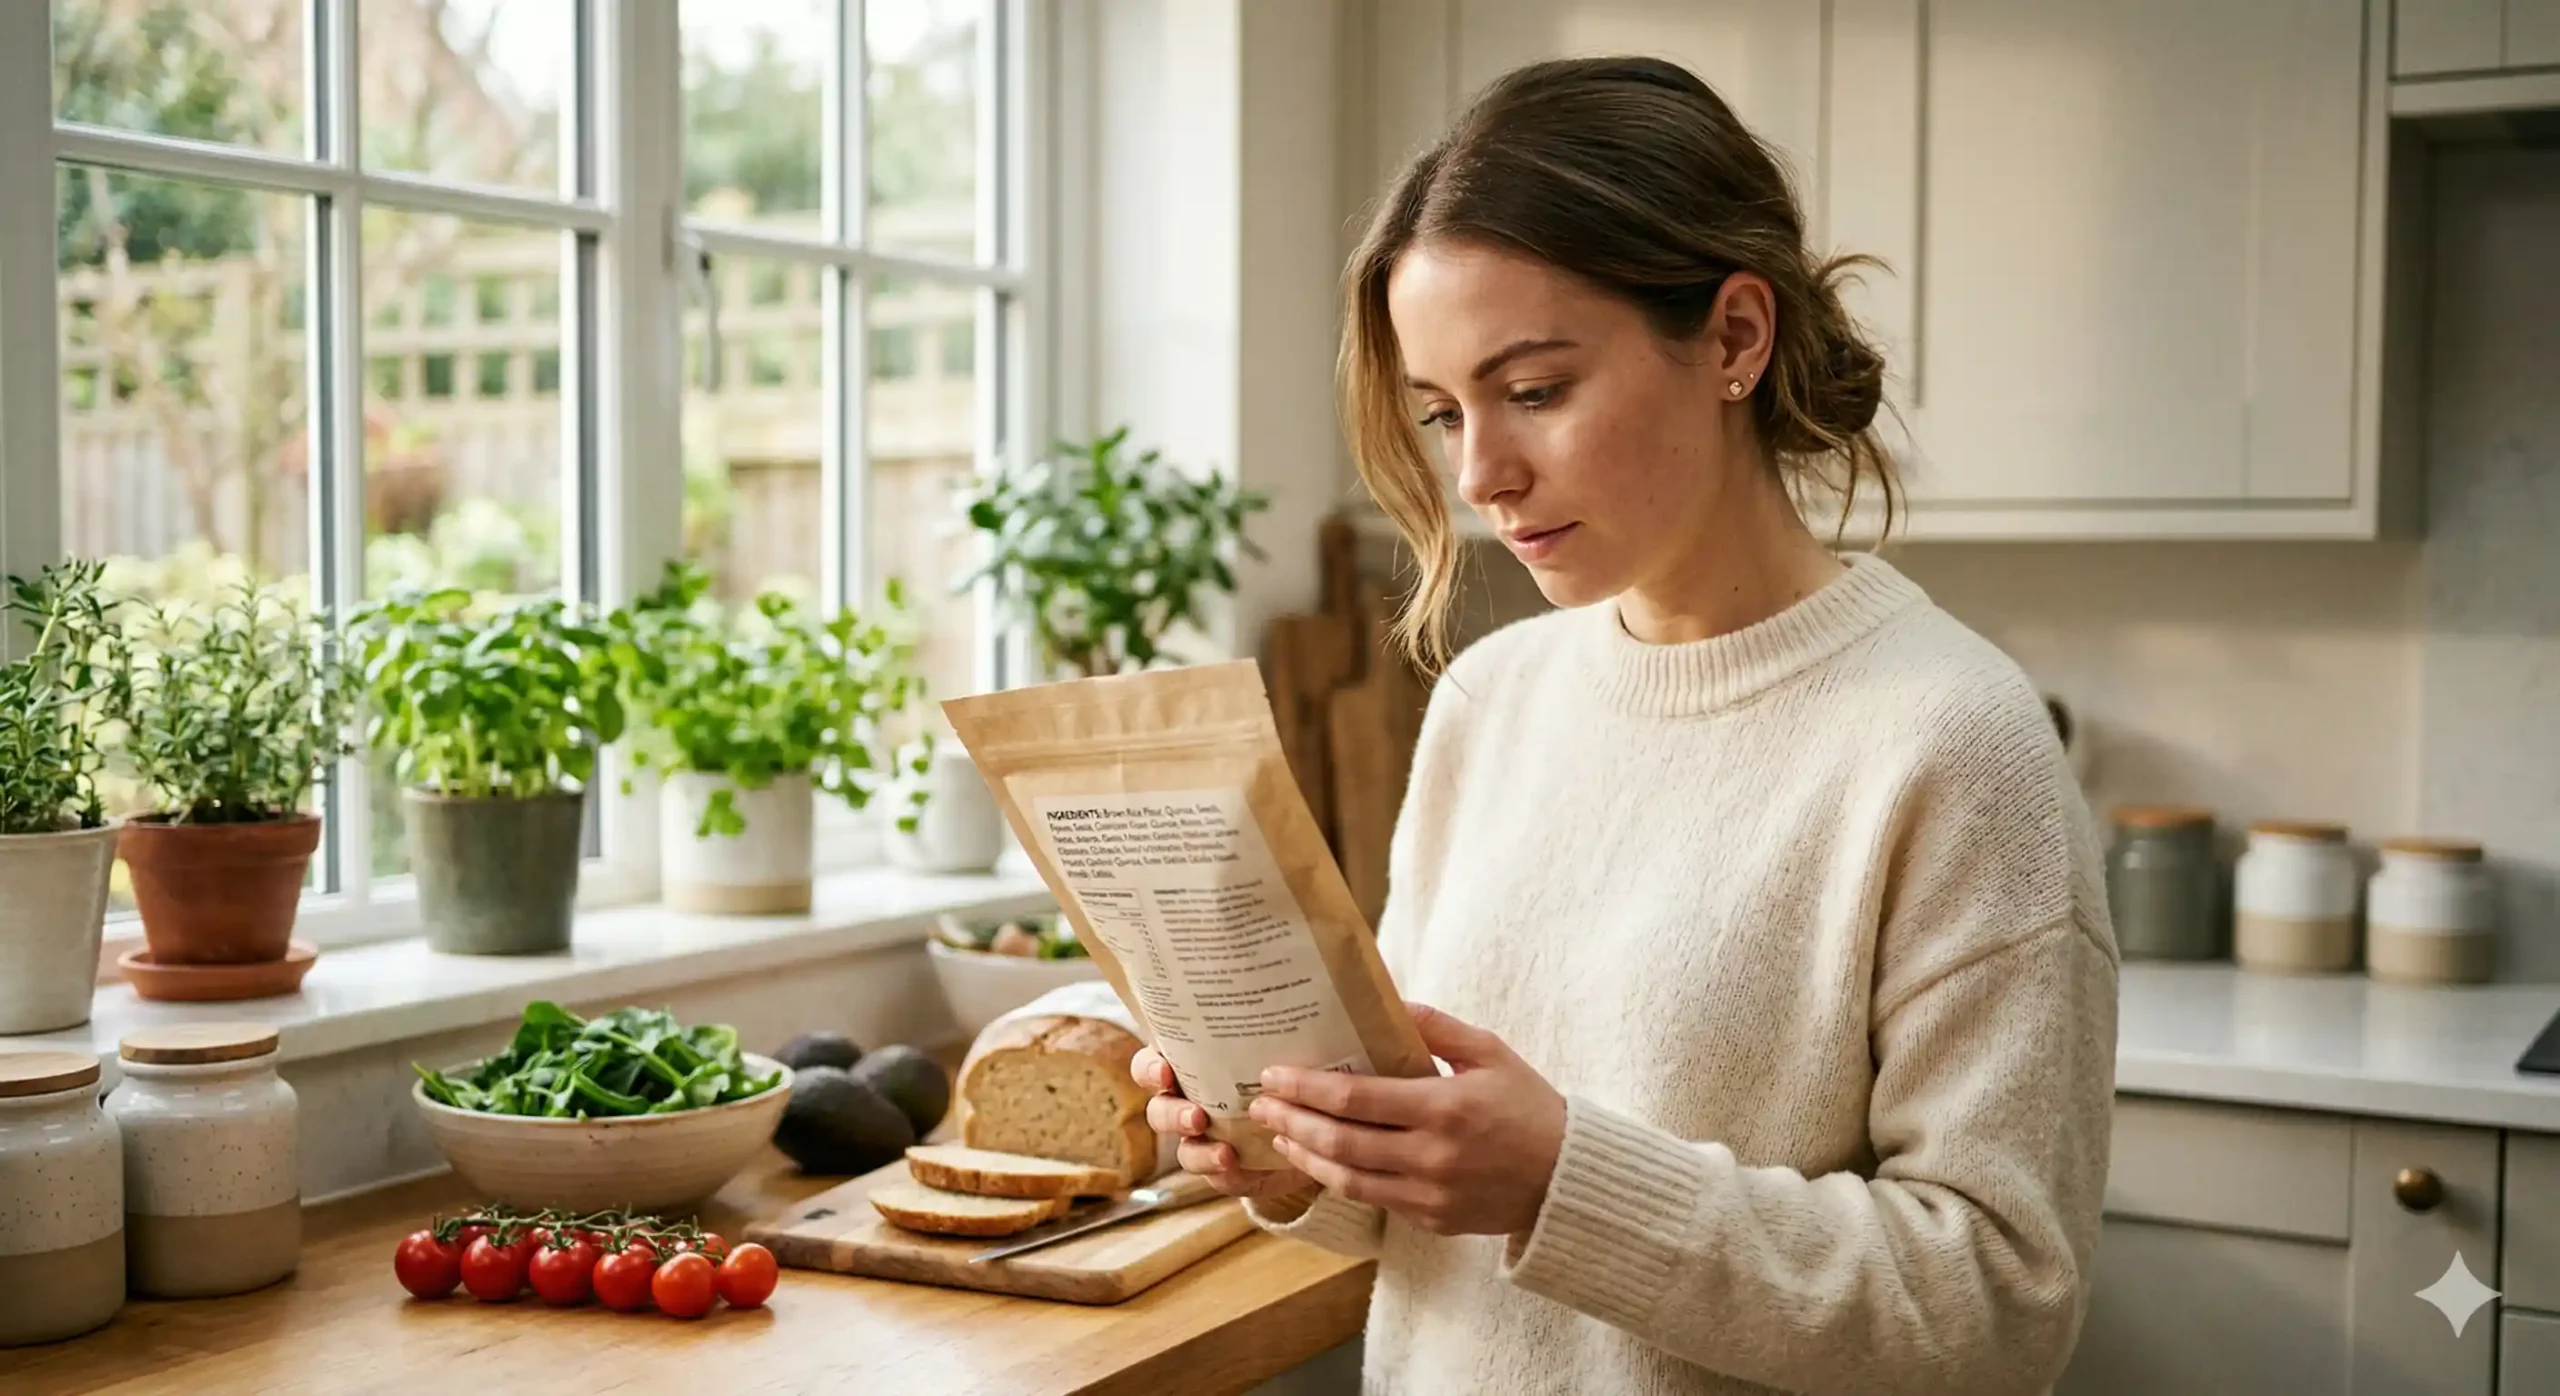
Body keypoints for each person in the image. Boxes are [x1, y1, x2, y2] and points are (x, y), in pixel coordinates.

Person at [1132, 55, 2121, 1396]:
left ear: (1734, 340)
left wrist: (1562, 1183)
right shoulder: (1490, 700)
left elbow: (1998, 1309)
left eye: (1536, 390)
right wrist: (1299, 1158)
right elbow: (1433, 1204)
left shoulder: (1953, 741)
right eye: (1444, 414)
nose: (1481, 474)